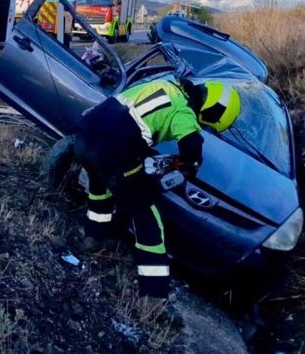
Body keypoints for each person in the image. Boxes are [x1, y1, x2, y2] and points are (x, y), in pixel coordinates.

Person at [67, 78, 241, 303]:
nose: (205, 126)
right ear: (213, 112)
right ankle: (154, 291)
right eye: (208, 124)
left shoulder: (166, 86)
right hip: (113, 151)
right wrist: (191, 165)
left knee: (99, 187)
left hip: (85, 134)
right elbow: (191, 145)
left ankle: (93, 237)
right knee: (146, 213)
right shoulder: (183, 110)